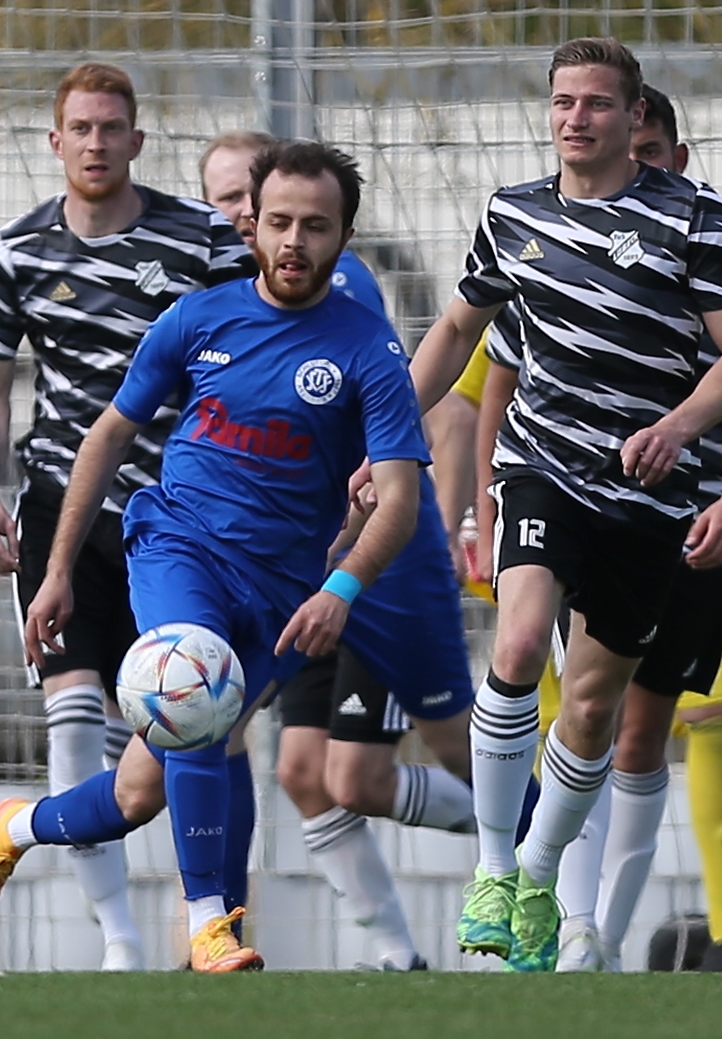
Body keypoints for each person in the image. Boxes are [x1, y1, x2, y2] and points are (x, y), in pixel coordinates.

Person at [0, 140, 429, 974]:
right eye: (278, 221)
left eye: (316, 226)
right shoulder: (199, 319)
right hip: (177, 544)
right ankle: (209, 922)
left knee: (135, 792)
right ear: (252, 225)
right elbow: (104, 439)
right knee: (195, 685)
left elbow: (401, 498)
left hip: (283, 591)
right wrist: (56, 569)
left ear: (344, 236)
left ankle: (12, 829)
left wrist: (343, 586)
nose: (293, 241)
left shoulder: (368, 349)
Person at [401, 37, 722, 972]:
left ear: (630, 112)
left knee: (599, 714)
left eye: (597, 104)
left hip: (648, 495)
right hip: (542, 469)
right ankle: (493, 872)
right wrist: (390, 433)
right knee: (520, 645)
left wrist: (683, 429)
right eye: (563, 101)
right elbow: (458, 331)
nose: (576, 118)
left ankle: (537, 870)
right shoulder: (512, 213)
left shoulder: (699, 222)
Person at [0, 62, 253, 971]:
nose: (95, 142)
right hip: (61, 508)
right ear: (56, 142)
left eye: (110, 127)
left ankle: (205, 917)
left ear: (136, 139)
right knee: (74, 713)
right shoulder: (17, 252)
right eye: (79, 128)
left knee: (175, 727)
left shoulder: (201, 239)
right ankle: (119, 943)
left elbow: (260, 343)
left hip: (179, 514)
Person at [201, 130, 478, 971]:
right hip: (297, 572)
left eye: (244, 203)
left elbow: (449, 418)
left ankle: (541, 831)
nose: (238, 218)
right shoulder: (224, 298)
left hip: (371, 572)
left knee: (375, 772)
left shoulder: (332, 294)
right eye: (222, 203)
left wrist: (442, 527)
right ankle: (391, 951)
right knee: (296, 768)